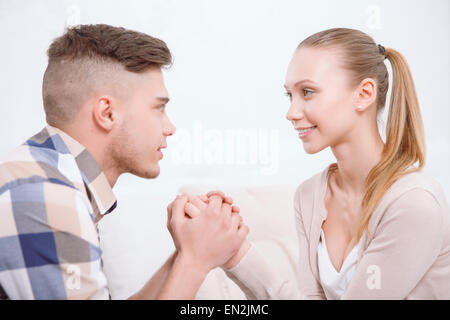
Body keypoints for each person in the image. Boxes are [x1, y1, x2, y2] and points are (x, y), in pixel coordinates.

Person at [182, 28, 450, 299]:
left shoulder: (414, 204)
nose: (291, 112)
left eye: (307, 92)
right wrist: (234, 249)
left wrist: (238, 254)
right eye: (290, 95)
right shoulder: (310, 196)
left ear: (364, 94)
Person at [0, 24, 248, 300]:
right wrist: (195, 263)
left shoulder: (51, 179)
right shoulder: (45, 196)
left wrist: (186, 253)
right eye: (159, 107)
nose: (170, 127)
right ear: (107, 113)